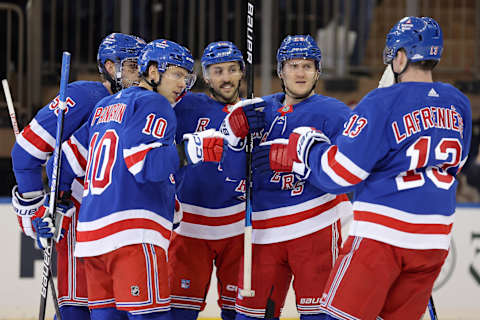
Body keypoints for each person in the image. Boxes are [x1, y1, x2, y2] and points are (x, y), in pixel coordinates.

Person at [267, 17, 472, 319]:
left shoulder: (381, 101)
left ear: (401, 57)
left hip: (382, 238)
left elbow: (340, 174)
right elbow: (457, 163)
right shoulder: (459, 102)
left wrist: (307, 149)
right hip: (435, 240)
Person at [35, 39, 199, 319]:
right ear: (153, 72)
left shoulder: (104, 107)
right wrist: (191, 150)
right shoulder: (156, 104)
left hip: (91, 243)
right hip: (133, 236)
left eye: (187, 76)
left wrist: (56, 202)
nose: (183, 83)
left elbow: (59, 164)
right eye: (177, 74)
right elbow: (144, 165)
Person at [10, 33, 146, 319]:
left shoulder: (145, 103)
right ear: (111, 67)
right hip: (82, 220)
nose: (142, 73)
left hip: (124, 224)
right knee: (80, 311)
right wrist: (37, 212)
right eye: (134, 65)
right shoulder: (85, 96)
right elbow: (25, 154)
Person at [219, 35, 353, 320]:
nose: (300, 72)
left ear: (318, 70)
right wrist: (232, 139)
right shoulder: (257, 109)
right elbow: (232, 176)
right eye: (293, 65)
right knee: (250, 317)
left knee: (319, 315)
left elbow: (345, 176)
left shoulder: (336, 114)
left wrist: (297, 162)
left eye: (307, 65)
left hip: (315, 226)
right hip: (262, 231)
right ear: (280, 70)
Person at [168, 41, 249, 320]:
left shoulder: (255, 113)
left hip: (239, 230)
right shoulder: (183, 106)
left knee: (240, 313)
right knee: (178, 313)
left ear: (241, 72)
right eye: (217, 71)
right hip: (189, 229)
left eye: (231, 70)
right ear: (205, 75)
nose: (225, 78)